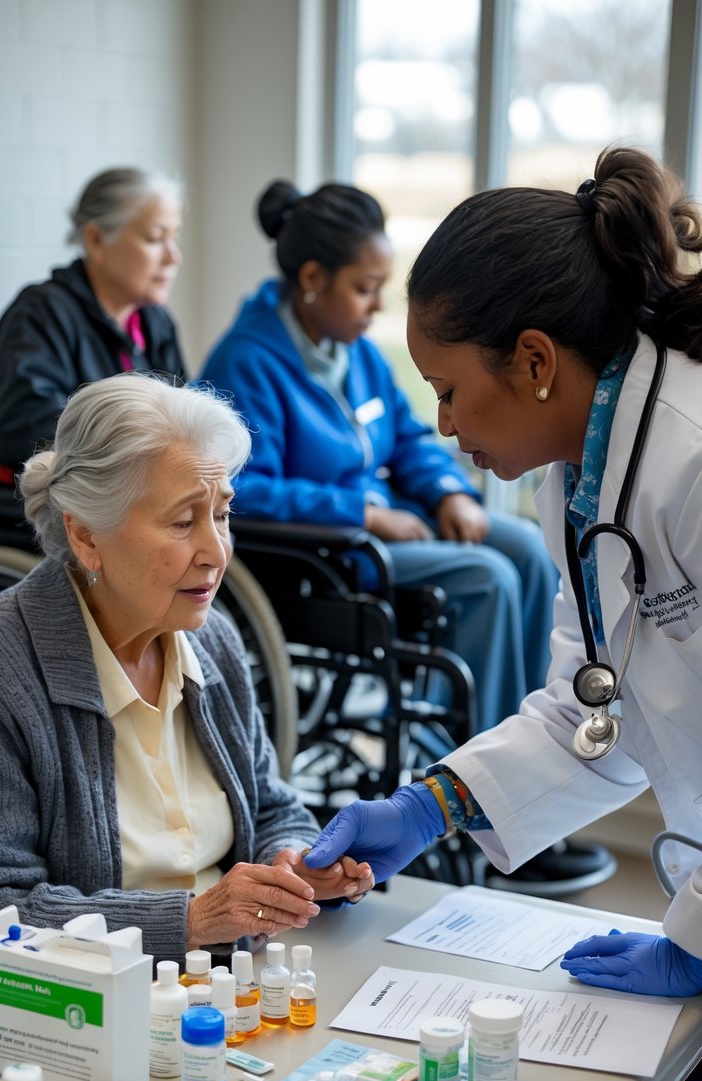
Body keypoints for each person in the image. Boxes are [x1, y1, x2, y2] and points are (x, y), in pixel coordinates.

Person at [304, 146, 702, 1081]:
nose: (438, 426)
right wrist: (434, 801)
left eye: (444, 389)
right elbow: (598, 705)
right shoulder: (575, 468)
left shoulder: (693, 452)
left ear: (533, 362)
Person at [199, 178, 611, 893]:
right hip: (320, 557)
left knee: (516, 546)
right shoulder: (246, 359)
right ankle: (480, 803)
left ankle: (527, 801)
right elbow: (243, 486)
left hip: (384, 531)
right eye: (365, 288)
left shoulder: (354, 350)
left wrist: (447, 489)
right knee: (486, 577)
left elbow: (413, 434)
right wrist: (357, 511)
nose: (375, 306)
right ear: (311, 280)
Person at [0, 374, 372, 1012]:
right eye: (182, 521)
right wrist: (191, 922)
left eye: (221, 514)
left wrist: (294, 861)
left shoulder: (212, 639)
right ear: (87, 535)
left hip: (231, 994)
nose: (215, 552)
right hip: (81, 1025)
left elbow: (272, 802)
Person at [0, 166, 187, 481]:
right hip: (58, 515)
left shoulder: (156, 322)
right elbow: (22, 429)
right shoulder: (40, 314)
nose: (174, 257)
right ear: (96, 241)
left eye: (174, 238)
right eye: (155, 238)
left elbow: (184, 416)